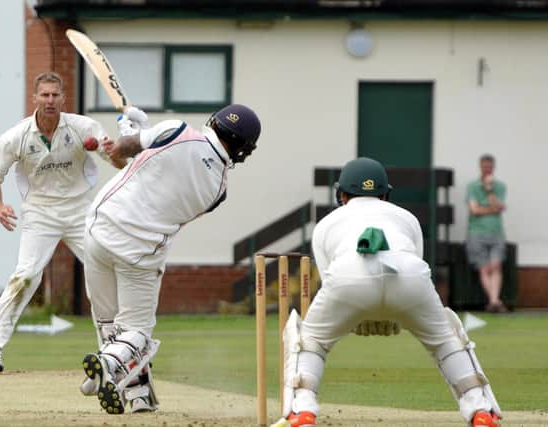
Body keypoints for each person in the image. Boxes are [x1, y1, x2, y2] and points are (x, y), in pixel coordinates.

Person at [273, 157, 502, 427]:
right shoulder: (407, 217)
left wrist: (359, 315)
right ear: (384, 194)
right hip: (409, 275)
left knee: (310, 339)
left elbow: (333, 282)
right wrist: (393, 315)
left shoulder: (326, 224)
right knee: (446, 339)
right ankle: (481, 411)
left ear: (342, 194)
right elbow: (414, 268)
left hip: (349, 275)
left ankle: (301, 412)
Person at [79, 104, 261, 415]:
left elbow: (122, 156)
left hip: (99, 229)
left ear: (214, 122)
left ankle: (136, 393)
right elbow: (159, 177)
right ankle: (110, 363)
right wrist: (139, 133)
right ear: (243, 148)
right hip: (141, 251)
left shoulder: (176, 129)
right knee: (137, 331)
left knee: (107, 320)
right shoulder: (218, 191)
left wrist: (131, 130)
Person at [0, 72, 122, 372]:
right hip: (40, 211)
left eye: (55, 95)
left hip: (80, 209)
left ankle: (115, 347)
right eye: (44, 95)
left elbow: (118, 162)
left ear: (63, 98)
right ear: (34, 98)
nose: (50, 100)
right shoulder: (15, 136)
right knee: (27, 275)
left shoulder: (83, 128)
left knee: (103, 269)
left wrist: (113, 151)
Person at [466, 154, 508, 313]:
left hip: (496, 232)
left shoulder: (500, 186)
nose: (487, 169)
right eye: (484, 166)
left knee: (496, 266)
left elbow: (500, 206)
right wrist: (493, 209)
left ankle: (494, 301)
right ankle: (495, 301)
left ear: (493, 168)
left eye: (489, 167)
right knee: (484, 268)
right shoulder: (472, 186)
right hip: (476, 232)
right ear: (480, 167)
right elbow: (474, 210)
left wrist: (489, 190)